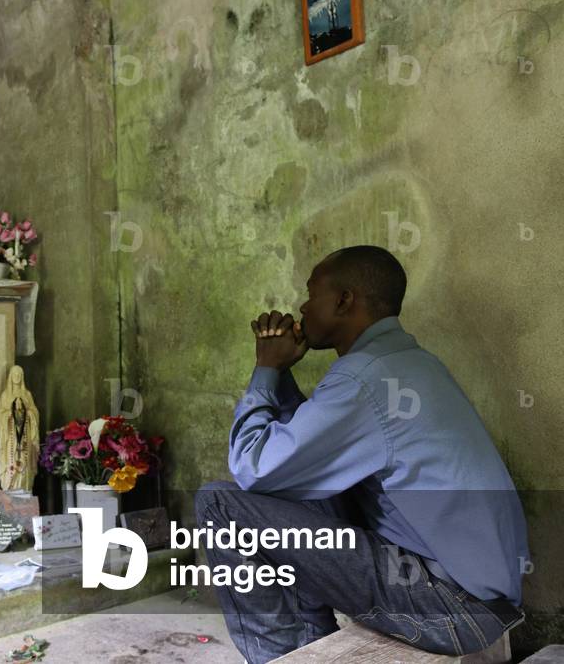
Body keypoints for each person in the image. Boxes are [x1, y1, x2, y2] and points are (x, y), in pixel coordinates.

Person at [196, 245, 528, 663]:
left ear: (343, 300)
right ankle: (310, 643)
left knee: (220, 505)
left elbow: (252, 467)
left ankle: (282, 655)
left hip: (450, 609)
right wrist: (278, 375)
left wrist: (265, 369)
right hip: (476, 602)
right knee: (304, 481)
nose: (301, 305)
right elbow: (300, 460)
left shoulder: (364, 378)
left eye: (310, 293)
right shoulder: (410, 363)